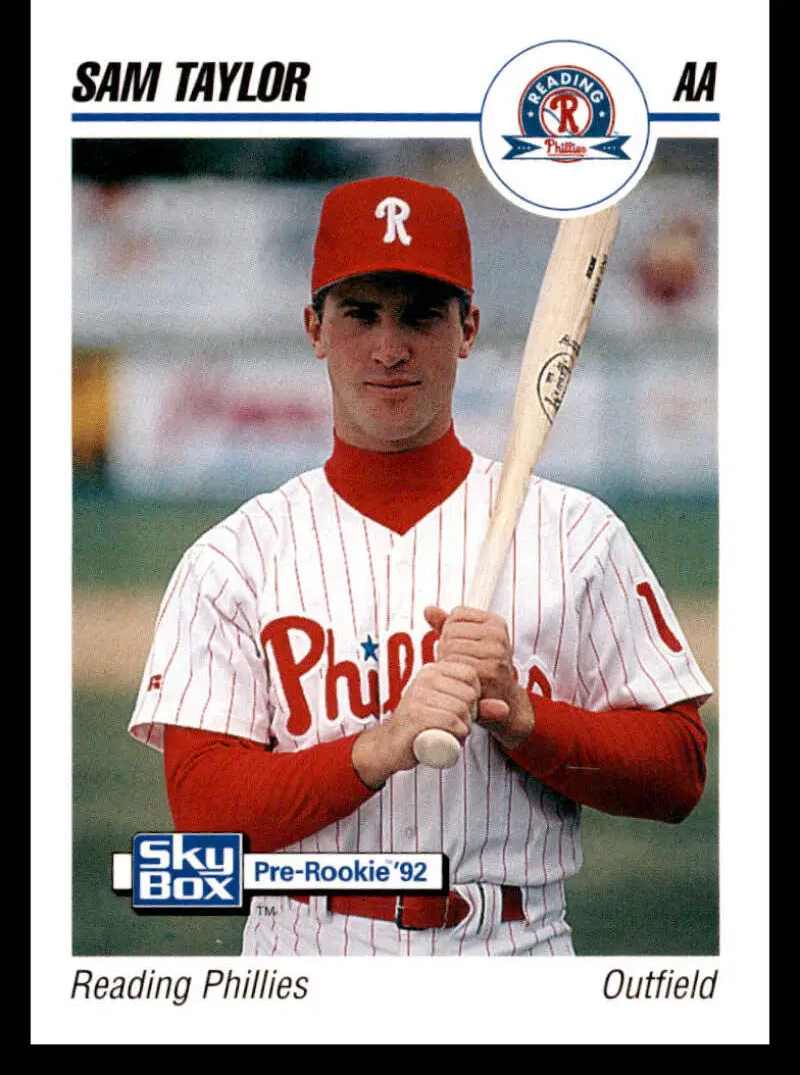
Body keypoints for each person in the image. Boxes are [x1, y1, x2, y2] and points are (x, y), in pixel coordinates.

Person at [129, 175, 712, 956]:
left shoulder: (576, 533)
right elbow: (203, 815)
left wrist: (525, 716)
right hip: (309, 951)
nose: (389, 347)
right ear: (313, 327)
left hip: (512, 950)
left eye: (421, 315)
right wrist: (380, 747)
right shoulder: (235, 558)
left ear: (467, 327)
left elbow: (678, 773)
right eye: (361, 314)